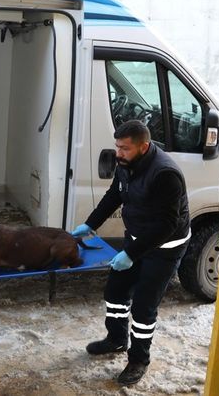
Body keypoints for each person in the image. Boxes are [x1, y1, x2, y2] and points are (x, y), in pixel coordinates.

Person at [71, 120, 191, 386]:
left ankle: (139, 359)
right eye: (117, 146)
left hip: (165, 247)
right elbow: (115, 194)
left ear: (143, 146)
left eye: (124, 148)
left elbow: (166, 225)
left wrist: (131, 254)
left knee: (143, 307)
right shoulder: (126, 165)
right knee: (115, 291)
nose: (118, 153)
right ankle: (116, 340)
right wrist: (91, 224)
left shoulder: (165, 174)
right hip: (137, 238)